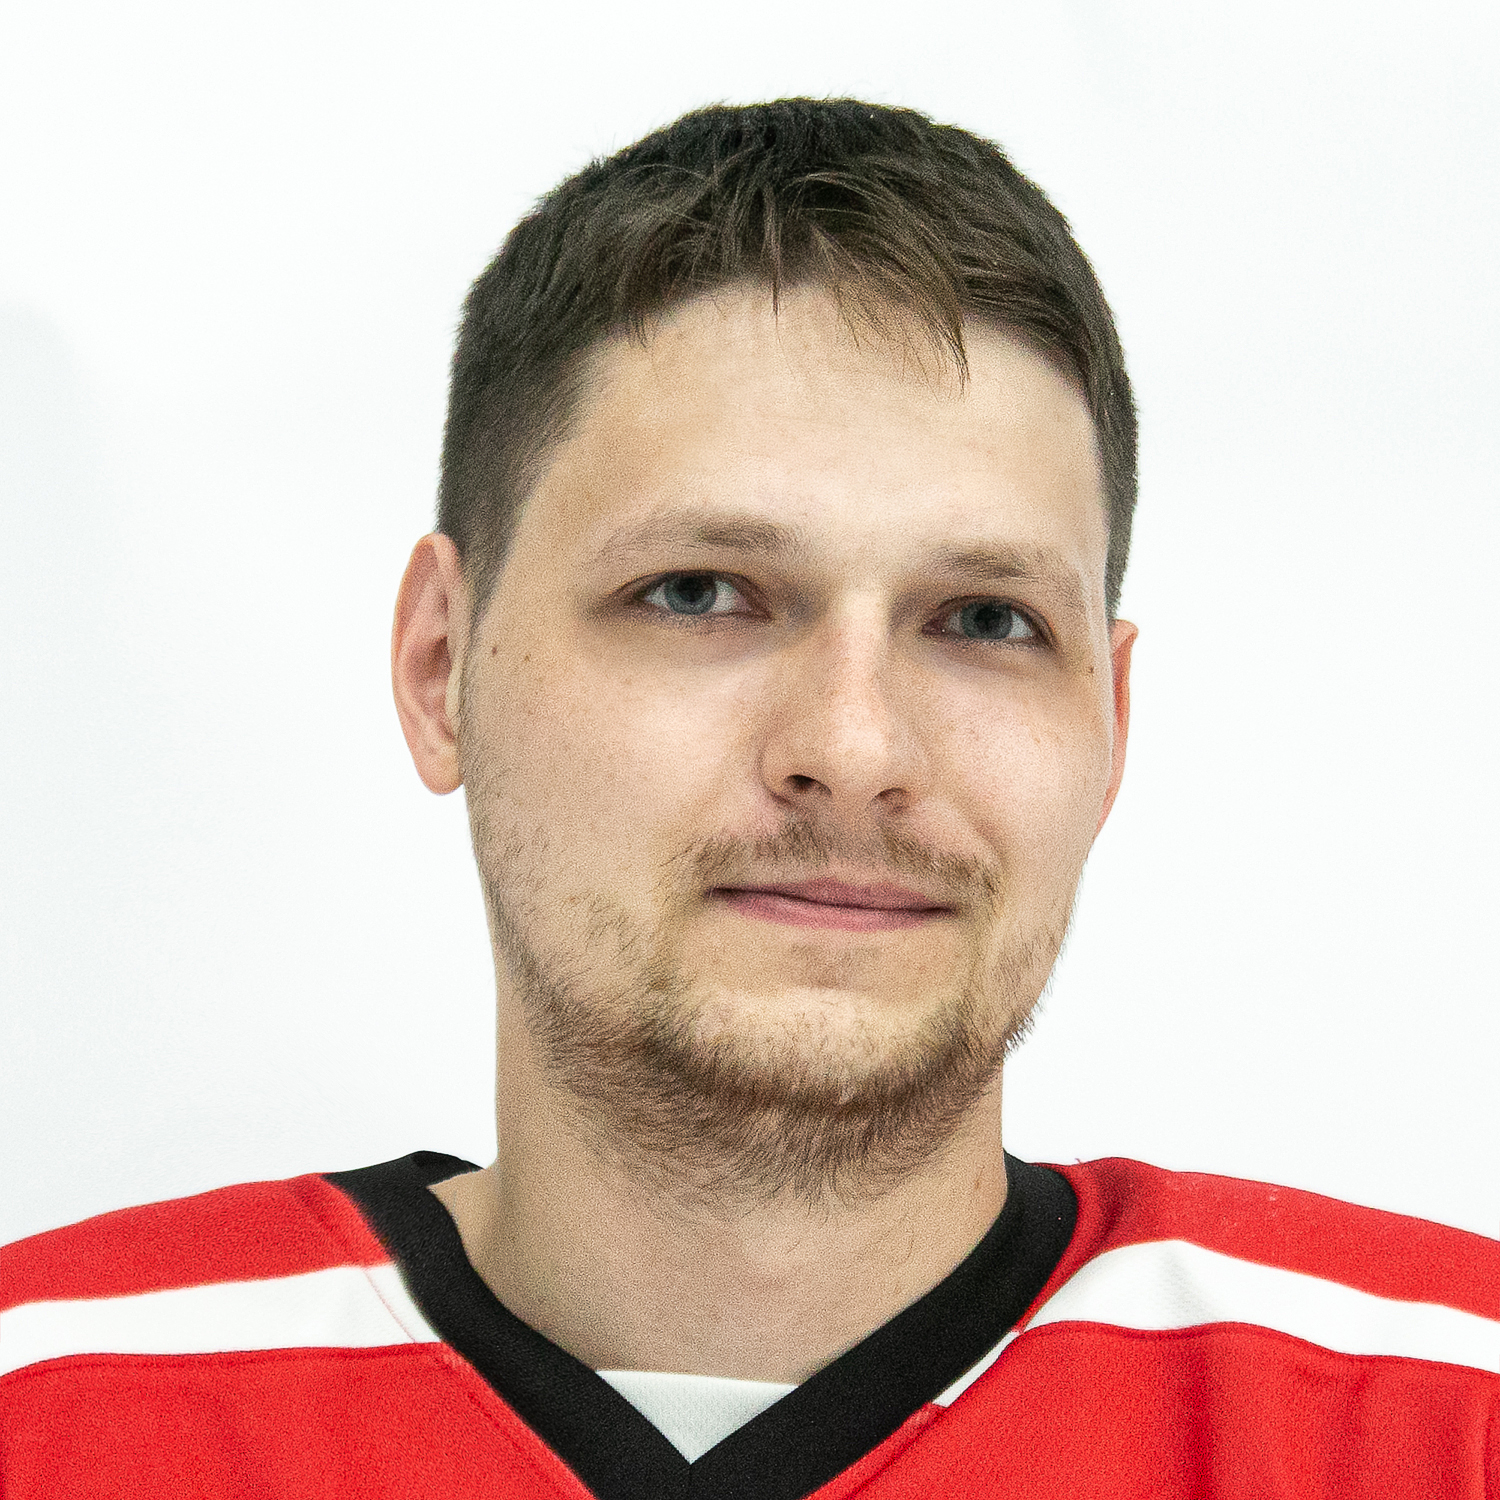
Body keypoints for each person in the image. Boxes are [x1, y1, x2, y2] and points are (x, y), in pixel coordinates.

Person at [2, 98, 1495, 1500]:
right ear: (440, 666)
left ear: (1109, 724)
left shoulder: (1447, 1420)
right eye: (700, 592)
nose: (852, 746)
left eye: (985, 619)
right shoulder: (45, 1414)